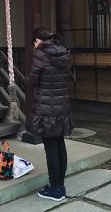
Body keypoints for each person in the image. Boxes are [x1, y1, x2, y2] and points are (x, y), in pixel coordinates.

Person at [27, 26, 74, 201]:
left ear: (38, 41)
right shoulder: (63, 52)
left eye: (34, 42)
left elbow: (33, 80)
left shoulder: (41, 53)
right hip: (62, 106)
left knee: (50, 148)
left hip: (46, 108)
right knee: (59, 143)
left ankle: (55, 188)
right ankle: (59, 184)